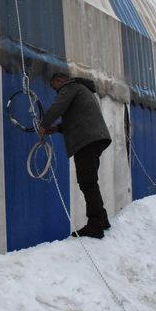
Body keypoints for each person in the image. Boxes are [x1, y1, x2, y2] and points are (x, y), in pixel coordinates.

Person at [38, 72, 112, 239]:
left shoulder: (69, 87)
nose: (55, 91)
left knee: (87, 182)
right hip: (96, 138)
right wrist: (57, 128)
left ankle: (95, 225)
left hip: (86, 140)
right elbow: (78, 117)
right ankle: (102, 218)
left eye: (54, 86)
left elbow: (57, 107)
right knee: (90, 181)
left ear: (59, 80)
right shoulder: (81, 89)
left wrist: (43, 125)